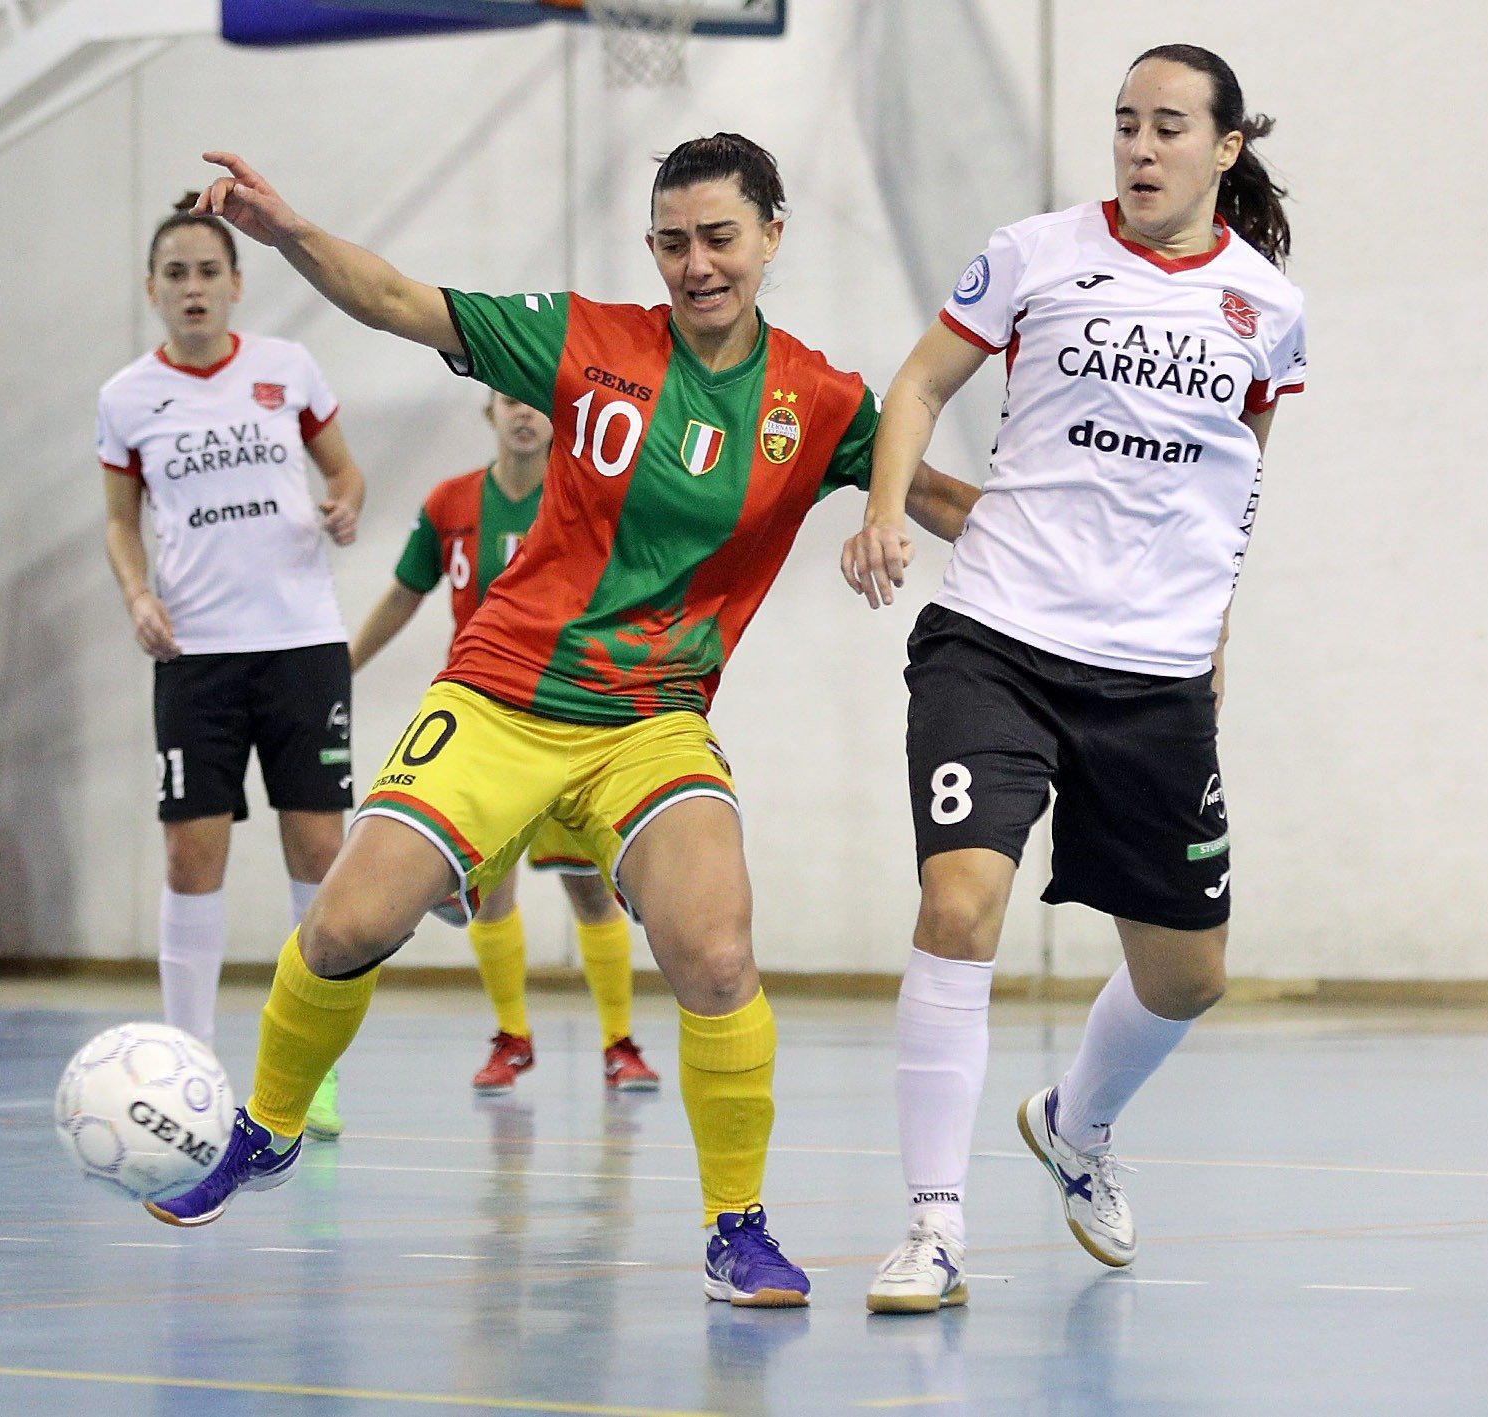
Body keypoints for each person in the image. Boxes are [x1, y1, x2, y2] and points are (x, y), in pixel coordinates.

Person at [145, 134, 979, 1310]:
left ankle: (735, 1227)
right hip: (500, 695)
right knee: (343, 925)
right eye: (674, 242)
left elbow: (941, 498)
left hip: (653, 722)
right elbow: (392, 299)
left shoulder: (814, 399)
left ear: (771, 237)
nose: (696, 265)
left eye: (720, 238)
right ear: (652, 249)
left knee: (718, 953)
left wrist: (1100, 554)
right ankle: (269, 1126)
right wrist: (283, 233)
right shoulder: (586, 340)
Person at [841, 44, 1307, 1313]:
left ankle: (1074, 1122)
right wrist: (886, 508)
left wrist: (1212, 637)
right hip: (994, 641)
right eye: (1123, 126)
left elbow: (1235, 484)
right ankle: (932, 1229)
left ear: (1222, 150)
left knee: (1186, 976)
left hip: (1150, 679)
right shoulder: (1035, 253)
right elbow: (918, 385)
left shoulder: (1265, 307)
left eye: (1168, 129)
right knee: (960, 906)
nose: (1140, 149)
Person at [98, 195, 368, 1142]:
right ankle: (188, 1068)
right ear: (153, 290)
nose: (194, 287)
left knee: (318, 851)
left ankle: (311, 1071)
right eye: (175, 273)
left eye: (208, 271)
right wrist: (139, 596)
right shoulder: (128, 397)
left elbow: (347, 475)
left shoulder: (286, 371)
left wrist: (344, 503)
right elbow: (120, 520)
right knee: (190, 849)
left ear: (236, 284)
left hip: (299, 643)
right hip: (197, 654)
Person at [350, 391, 661, 1095]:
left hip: (573, 717)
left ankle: (620, 1041)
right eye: (508, 399)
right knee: (491, 895)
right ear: (487, 412)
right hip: (487, 726)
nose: (524, 412)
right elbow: (405, 592)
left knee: (592, 892)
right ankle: (512, 1035)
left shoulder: (585, 498)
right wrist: (343, 665)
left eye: (536, 402)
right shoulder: (451, 504)